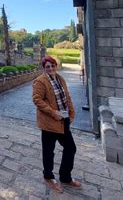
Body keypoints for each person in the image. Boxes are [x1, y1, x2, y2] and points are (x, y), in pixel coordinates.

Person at [32, 55, 82, 193]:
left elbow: (67, 97)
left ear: (56, 66)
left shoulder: (60, 79)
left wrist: (71, 114)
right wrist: (54, 113)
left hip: (63, 120)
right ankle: (48, 176)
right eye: (47, 66)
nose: (51, 68)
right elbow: (37, 100)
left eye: (53, 65)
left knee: (70, 148)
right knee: (49, 151)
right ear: (44, 68)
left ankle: (65, 177)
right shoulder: (40, 81)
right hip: (49, 122)